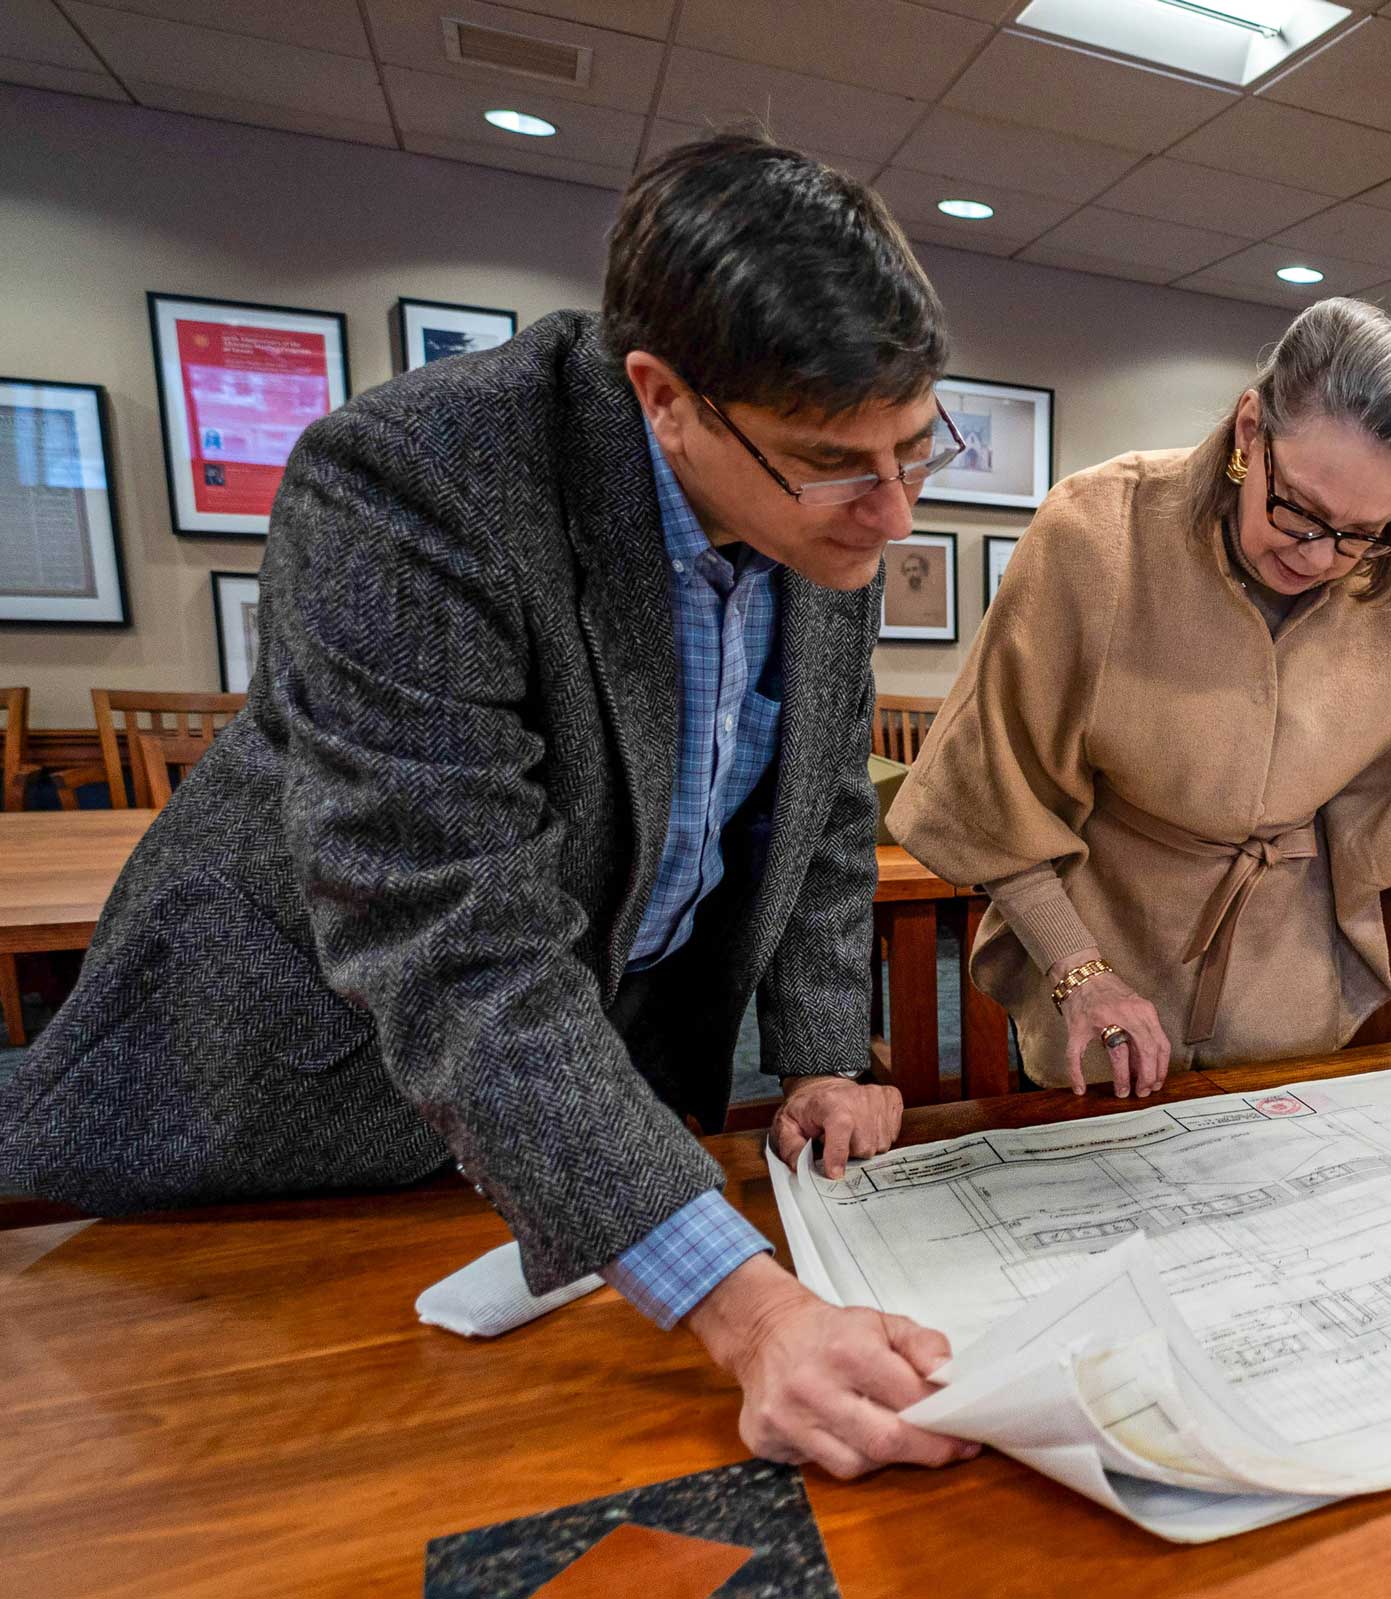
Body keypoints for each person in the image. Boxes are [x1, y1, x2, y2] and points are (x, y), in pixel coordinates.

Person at [0, 136, 979, 1479]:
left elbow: (813, 805)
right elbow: (457, 942)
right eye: (836, 462)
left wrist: (820, 1048)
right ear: (664, 397)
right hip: (301, 1125)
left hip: (590, 1117)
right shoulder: (418, 482)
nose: (891, 511)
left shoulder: (830, 510)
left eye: (918, 448)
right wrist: (750, 1314)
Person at [889, 298, 1391, 1097]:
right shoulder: (1099, 536)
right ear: (1251, 431)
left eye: (1364, 531)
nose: (1322, 557)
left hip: (1294, 979)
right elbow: (995, 795)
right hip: (1109, 952)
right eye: (1301, 514)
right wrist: (1078, 970)